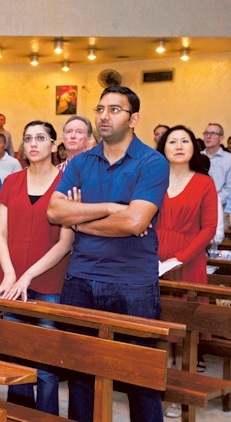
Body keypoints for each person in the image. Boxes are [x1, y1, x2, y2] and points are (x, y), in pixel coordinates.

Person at [47, 85, 170, 422]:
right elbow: (55, 212)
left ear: (134, 119)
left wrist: (81, 220)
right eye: (100, 109)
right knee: (80, 375)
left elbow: (135, 221)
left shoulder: (152, 162)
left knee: (139, 380)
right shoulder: (82, 162)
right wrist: (109, 209)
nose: (104, 115)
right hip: (81, 278)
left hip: (132, 283)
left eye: (115, 109)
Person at [0, 120, 73, 416]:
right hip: (11, 281)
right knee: (16, 361)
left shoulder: (66, 183)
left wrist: (27, 275)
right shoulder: (12, 181)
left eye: (41, 138)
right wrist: (11, 273)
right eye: (28, 138)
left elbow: (65, 242)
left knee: (46, 366)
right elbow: (0, 233)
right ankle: (19, 415)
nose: (33, 143)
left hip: (49, 282)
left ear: (54, 145)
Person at [156, 126, 218, 418]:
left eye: (184, 141)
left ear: (194, 148)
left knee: (184, 337)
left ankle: (178, 397)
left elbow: (208, 229)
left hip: (188, 261)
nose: (179, 146)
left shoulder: (204, 182)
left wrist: (178, 259)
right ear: (162, 147)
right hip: (152, 262)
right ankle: (155, 389)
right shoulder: (153, 179)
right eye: (172, 141)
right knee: (156, 331)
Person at [202, 123, 231, 229]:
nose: (208, 136)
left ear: (222, 138)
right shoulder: (196, 158)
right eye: (206, 133)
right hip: (198, 207)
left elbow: (229, 188)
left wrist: (214, 201)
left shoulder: (229, 159)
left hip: (221, 208)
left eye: (213, 133)